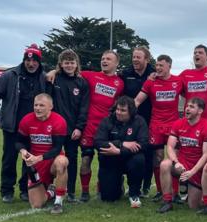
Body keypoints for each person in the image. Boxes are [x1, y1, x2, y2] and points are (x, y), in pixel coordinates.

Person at [0, 44, 47, 203]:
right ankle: (7, 190)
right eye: (28, 60)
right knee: (9, 159)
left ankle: (26, 189)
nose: (31, 64)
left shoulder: (44, 77)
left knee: (29, 159)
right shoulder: (9, 75)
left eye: (34, 61)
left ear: (39, 62)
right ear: (24, 60)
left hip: (33, 127)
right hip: (12, 125)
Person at [135, 55, 183, 202]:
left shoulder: (178, 81)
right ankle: (161, 191)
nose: (158, 68)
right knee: (157, 158)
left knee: (174, 159)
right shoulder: (151, 82)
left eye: (162, 65)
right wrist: (127, 115)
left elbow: (192, 95)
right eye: (157, 65)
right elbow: (137, 100)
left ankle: (175, 192)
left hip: (173, 126)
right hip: (155, 125)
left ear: (169, 66)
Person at [78, 50, 125, 201]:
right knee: (86, 159)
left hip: (107, 129)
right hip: (89, 126)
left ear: (116, 63)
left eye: (108, 59)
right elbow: (71, 70)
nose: (104, 61)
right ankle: (85, 192)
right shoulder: (91, 76)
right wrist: (53, 71)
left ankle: (102, 188)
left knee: (105, 161)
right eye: (103, 58)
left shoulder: (120, 83)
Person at [46, 49, 89, 202]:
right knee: (51, 157)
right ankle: (49, 188)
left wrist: (79, 127)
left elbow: (84, 108)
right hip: (55, 129)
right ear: (61, 64)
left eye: (72, 62)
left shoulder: (82, 82)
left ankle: (69, 192)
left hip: (73, 130)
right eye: (66, 63)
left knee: (71, 160)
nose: (69, 65)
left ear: (76, 64)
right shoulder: (54, 79)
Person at [158, 98, 207, 213]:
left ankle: (190, 188)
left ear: (200, 111)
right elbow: (169, 146)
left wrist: (192, 172)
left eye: (192, 107)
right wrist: (176, 161)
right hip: (182, 164)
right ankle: (167, 201)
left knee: (193, 205)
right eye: (187, 106)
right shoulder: (178, 123)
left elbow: (205, 154)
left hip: (196, 168)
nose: (187, 108)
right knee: (165, 164)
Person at [15, 94, 68, 214]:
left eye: (42, 105)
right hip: (36, 163)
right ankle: (51, 192)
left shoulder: (59, 121)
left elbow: (57, 148)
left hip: (52, 160)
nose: (37, 108)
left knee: (62, 161)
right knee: (36, 204)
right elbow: (18, 142)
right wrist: (23, 151)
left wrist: (39, 158)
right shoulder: (27, 120)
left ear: (51, 106)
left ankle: (58, 202)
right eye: (36, 105)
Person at [93, 96, 148, 207]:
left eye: (123, 110)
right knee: (109, 198)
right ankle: (117, 183)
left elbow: (143, 144)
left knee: (139, 159)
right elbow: (98, 142)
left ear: (131, 111)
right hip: (111, 160)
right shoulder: (107, 121)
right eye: (117, 109)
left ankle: (134, 193)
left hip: (130, 159)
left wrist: (119, 151)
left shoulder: (139, 122)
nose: (118, 112)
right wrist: (121, 143)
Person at [120, 46, 156, 197]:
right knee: (130, 152)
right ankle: (131, 185)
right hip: (130, 121)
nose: (135, 59)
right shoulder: (125, 74)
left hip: (149, 120)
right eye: (133, 56)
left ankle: (146, 186)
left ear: (146, 59)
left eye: (138, 57)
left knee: (148, 154)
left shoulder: (154, 74)